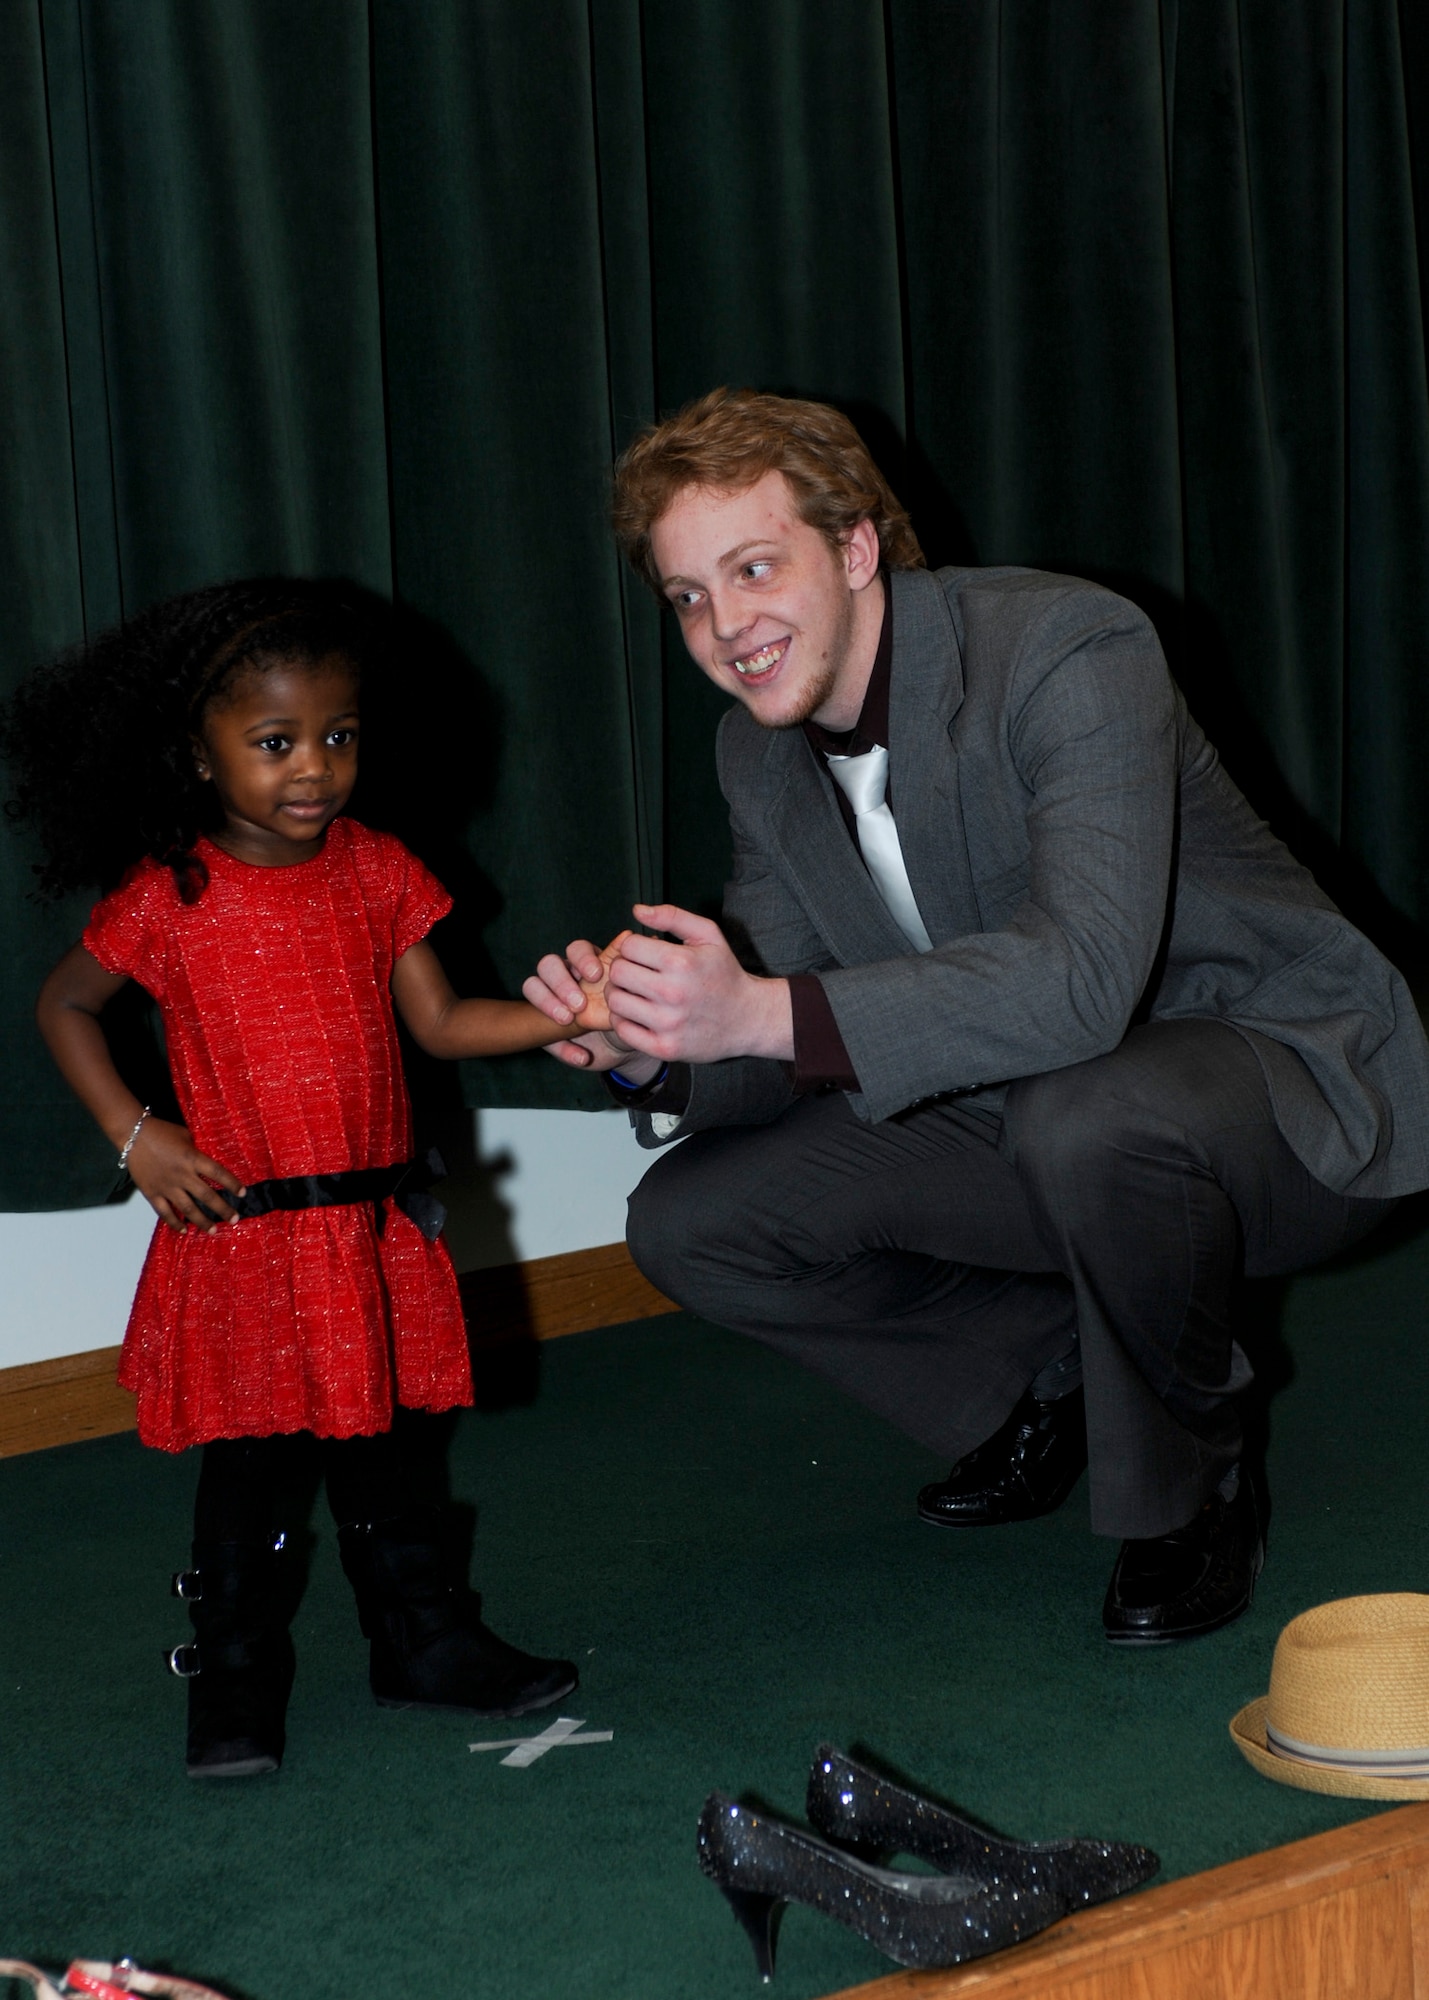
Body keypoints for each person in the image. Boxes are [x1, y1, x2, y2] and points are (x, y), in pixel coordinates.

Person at [526, 386, 1429, 1646]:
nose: (726, 627)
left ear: (853, 548)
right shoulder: (758, 755)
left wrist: (765, 1009)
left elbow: (1079, 983)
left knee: (1087, 1112)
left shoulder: (1070, 646)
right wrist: (655, 1053)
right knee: (691, 1220)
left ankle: (1193, 1479)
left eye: (752, 567)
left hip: (1279, 1084)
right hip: (1033, 1116)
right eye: (686, 595)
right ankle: (1049, 1375)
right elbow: (785, 1014)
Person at [6, 578, 619, 1778]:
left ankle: (423, 1640)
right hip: (248, 1237)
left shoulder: (377, 868)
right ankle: (234, 1672)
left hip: (371, 1225)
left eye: (338, 736)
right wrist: (140, 1136)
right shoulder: (170, 892)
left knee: (390, 1447)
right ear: (197, 750)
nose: (313, 769)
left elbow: (440, 1024)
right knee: (256, 1463)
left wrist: (569, 1019)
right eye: (274, 740)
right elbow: (64, 1004)